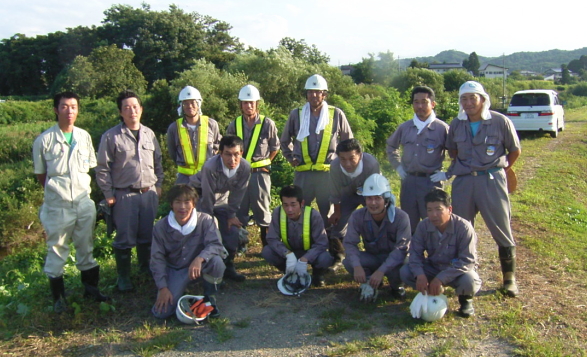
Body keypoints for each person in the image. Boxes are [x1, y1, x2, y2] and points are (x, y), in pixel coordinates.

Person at [33, 92, 108, 313]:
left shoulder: (84, 136)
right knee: (57, 249)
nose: (70, 111)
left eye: (73, 107)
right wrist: (58, 193)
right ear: (56, 110)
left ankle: (91, 290)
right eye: (64, 107)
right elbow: (41, 175)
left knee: (86, 246)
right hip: (58, 206)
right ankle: (59, 299)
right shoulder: (44, 140)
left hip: (83, 202)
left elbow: (90, 166)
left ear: (78, 110)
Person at [445, 81, 521, 297]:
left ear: (482, 99)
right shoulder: (457, 124)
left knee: (501, 228)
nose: (468, 103)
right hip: (464, 182)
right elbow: (452, 150)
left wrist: (502, 170)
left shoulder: (499, 121)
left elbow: (514, 151)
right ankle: (466, 273)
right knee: (461, 228)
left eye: (472, 98)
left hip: (491, 180)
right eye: (464, 99)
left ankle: (509, 279)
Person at [96, 90, 164, 292]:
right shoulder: (111, 136)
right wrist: (108, 194)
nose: (132, 111)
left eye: (135, 107)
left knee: (147, 235)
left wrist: (158, 186)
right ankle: (123, 278)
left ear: (141, 109)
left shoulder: (149, 134)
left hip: (149, 192)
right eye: (127, 107)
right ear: (120, 112)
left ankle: (145, 269)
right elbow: (102, 168)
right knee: (124, 238)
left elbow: (158, 162)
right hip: (124, 195)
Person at [280, 74, 353, 227]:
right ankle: (303, 242)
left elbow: (348, 142)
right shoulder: (296, 114)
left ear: (324, 94)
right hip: (303, 174)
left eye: (317, 92)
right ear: (306, 94)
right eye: (310, 92)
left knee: (328, 212)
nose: (313, 95)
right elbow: (285, 140)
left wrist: (342, 163)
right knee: (300, 210)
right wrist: (290, 157)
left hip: (327, 174)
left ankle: (331, 243)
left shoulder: (336, 114)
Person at [400, 188, 482, 318]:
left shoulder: (464, 228)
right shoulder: (423, 226)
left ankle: (465, 300)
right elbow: (415, 253)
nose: (433, 215)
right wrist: (420, 275)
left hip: (455, 271)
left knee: (470, 280)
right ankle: (428, 292)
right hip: (433, 267)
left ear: (449, 209)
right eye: (429, 210)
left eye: (438, 209)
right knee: (405, 271)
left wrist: (441, 278)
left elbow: (467, 260)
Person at [151, 184, 225, 319]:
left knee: (216, 262)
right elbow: (157, 258)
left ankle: (209, 297)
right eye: (178, 202)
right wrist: (162, 287)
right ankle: (185, 296)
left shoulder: (205, 220)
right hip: (175, 270)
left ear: (194, 204)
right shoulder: (160, 226)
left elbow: (215, 244)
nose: (182, 207)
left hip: (199, 267)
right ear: (171, 204)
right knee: (162, 313)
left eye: (187, 202)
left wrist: (199, 258)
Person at [386, 86, 450, 233]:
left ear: (433, 104)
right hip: (409, 182)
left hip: (431, 183)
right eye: (416, 102)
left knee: (435, 223)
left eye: (424, 102)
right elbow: (391, 147)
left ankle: (436, 254)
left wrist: (447, 173)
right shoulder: (405, 127)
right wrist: (398, 167)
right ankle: (412, 255)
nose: (420, 106)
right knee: (409, 224)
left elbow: (458, 153)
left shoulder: (442, 128)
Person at [190, 135, 251, 282]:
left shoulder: (245, 167)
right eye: (228, 154)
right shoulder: (210, 167)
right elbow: (207, 195)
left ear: (241, 153)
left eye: (236, 154)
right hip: (200, 198)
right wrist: (209, 220)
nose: (232, 159)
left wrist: (231, 215)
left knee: (231, 230)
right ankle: (211, 269)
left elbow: (238, 193)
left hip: (222, 199)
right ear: (220, 153)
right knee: (210, 232)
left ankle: (228, 266)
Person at [226, 85, 280, 248]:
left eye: (251, 103)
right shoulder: (234, 124)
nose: (248, 106)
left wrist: (264, 163)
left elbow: (275, 148)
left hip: (260, 174)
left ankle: (267, 244)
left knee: (262, 209)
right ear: (240, 105)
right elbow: (227, 149)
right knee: (239, 209)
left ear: (257, 104)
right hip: (239, 174)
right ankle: (240, 243)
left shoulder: (267, 123)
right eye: (245, 103)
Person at [343, 173, 411, 301]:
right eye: (369, 198)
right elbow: (350, 243)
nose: (373, 203)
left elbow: (401, 249)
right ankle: (371, 282)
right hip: (373, 258)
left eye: (377, 198)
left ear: (386, 199)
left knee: (405, 264)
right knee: (349, 262)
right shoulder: (357, 216)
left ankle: (397, 286)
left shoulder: (401, 217)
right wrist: (357, 267)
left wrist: (382, 271)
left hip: (394, 262)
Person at [262, 185, 333, 287]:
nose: (289, 209)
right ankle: (289, 272)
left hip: (309, 252)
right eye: (285, 205)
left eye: (293, 205)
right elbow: (272, 238)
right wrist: (288, 254)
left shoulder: (313, 215)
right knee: (267, 251)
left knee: (325, 258)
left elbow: (322, 243)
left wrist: (305, 259)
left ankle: (318, 275)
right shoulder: (278, 212)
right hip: (288, 251)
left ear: (302, 203)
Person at [327, 138, 381, 269]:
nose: (347, 164)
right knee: (336, 225)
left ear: (360, 155)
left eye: (352, 158)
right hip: (347, 196)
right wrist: (337, 211)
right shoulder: (334, 167)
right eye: (343, 159)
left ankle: (375, 254)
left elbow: (375, 191)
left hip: (369, 195)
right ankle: (339, 256)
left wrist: (373, 212)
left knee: (373, 223)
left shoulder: (371, 164)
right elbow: (335, 192)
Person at [167, 86, 222, 184]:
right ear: (181, 106)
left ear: (198, 104)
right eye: (186, 103)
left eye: (193, 102)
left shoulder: (211, 124)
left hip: (207, 176)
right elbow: (173, 153)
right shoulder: (174, 128)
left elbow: (217, 147)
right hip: (184, 179)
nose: (190, 106)